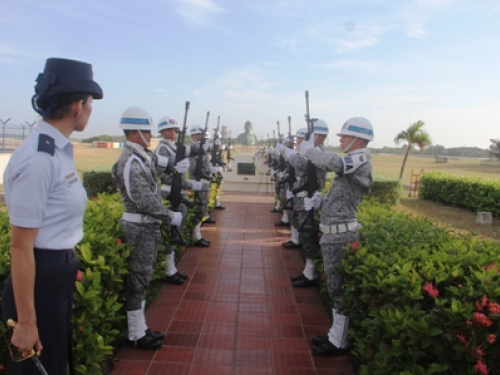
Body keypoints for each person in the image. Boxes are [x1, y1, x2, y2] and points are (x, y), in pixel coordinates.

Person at [2, 57, 103, 375]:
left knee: (55, 366)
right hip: (39, 281)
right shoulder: (40, 159)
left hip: (52, 277)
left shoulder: (56, 151)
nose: (90, 109)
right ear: (77, 105)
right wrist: (27, 322)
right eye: (89, 102)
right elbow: (21, 247)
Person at [111, 107, 186, 350]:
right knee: (138, 280)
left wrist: (178, 163)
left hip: (147, 227)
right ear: (133, 133)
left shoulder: (142, 155)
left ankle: (140, 327)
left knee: (143, 278)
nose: (150, 135)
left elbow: (162, 162)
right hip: (139, 228)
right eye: (146, 131)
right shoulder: (130, 161)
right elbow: (143, 201)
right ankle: (135, 333)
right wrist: (168, 216)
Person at [301, 117, 374, 356]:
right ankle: (335, 335)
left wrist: (311, 152)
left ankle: (339, 341)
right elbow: (341, 197)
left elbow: (335, 164)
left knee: (339, 290)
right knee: (334, 288)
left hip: (342, 235)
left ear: (359, 139)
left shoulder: (360, 159)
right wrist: (321, 202)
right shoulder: (353, 161)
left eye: (344, 136)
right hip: (333, 234)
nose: (340, 139)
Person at [155, 115, 206, 285]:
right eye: (169, 130)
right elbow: (167, 177)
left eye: (175, 130)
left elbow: (192, 151)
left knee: (176, 233)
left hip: (179, 193)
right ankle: (168, 270)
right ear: (162, 132)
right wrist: (189, 183)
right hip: (170, 194)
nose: (173, 133)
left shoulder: (173, 148)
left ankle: (172, 268)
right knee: (171, 233)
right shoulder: (162, 149)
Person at [285, 120, 328, 288]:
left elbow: (300, 166)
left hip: (312, 200)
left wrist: (291, 153)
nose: (302, 141)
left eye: (309, 137)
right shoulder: (311, 153)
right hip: (304, 198)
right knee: (304, 234)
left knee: (309, 237)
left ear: (319, 137)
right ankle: (308, 271)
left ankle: (311, 274)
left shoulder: (318, 154)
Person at [281, 127, 306, 249]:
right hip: (295, 188)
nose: (298, 141)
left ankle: (297, 240)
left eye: (300, 138)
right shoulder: (298, 152)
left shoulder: (306, 154)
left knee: (299, 217)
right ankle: (294, 238)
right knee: (293, 213)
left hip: (304, 192)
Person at [187, 125, 212, 247]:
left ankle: (197, 235)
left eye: (202, 135)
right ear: (193, 136)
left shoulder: (202, 149)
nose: (202, 137)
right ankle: (195, 237)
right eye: (199, 135)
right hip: (197, 182)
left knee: (202, 209)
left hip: (204, 182)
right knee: (198, 210)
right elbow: (192, 168)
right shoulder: (192, 148)